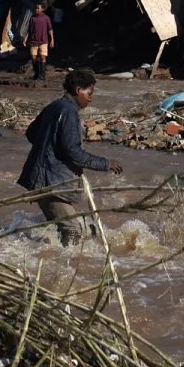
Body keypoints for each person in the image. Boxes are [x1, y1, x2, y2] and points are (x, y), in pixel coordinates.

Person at [17, 68, 123, 246]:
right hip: (51, 183)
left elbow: (31, 133)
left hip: (42, 179)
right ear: (77, 90)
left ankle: (53, 257)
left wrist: (49, 146)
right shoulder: (69, 112)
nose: (90, 98)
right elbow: (73, 152)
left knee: (72, 228)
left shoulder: (54, 106)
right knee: (72, 231)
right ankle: (67, 268)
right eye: (89, 93)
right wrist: (106, 164)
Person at [25, 3, 54, 80]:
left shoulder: (46, 18)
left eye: (38, 8)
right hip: (33, 41)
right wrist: (26, 38)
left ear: (42, 9)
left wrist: (52, 40)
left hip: (43, 41)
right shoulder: (32, 18)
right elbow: (29, 30)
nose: (36, 9)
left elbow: (50, 29)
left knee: (42, 57)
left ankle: (42, 75)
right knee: (34, 58)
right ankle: (37, 74)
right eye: (36, 8)